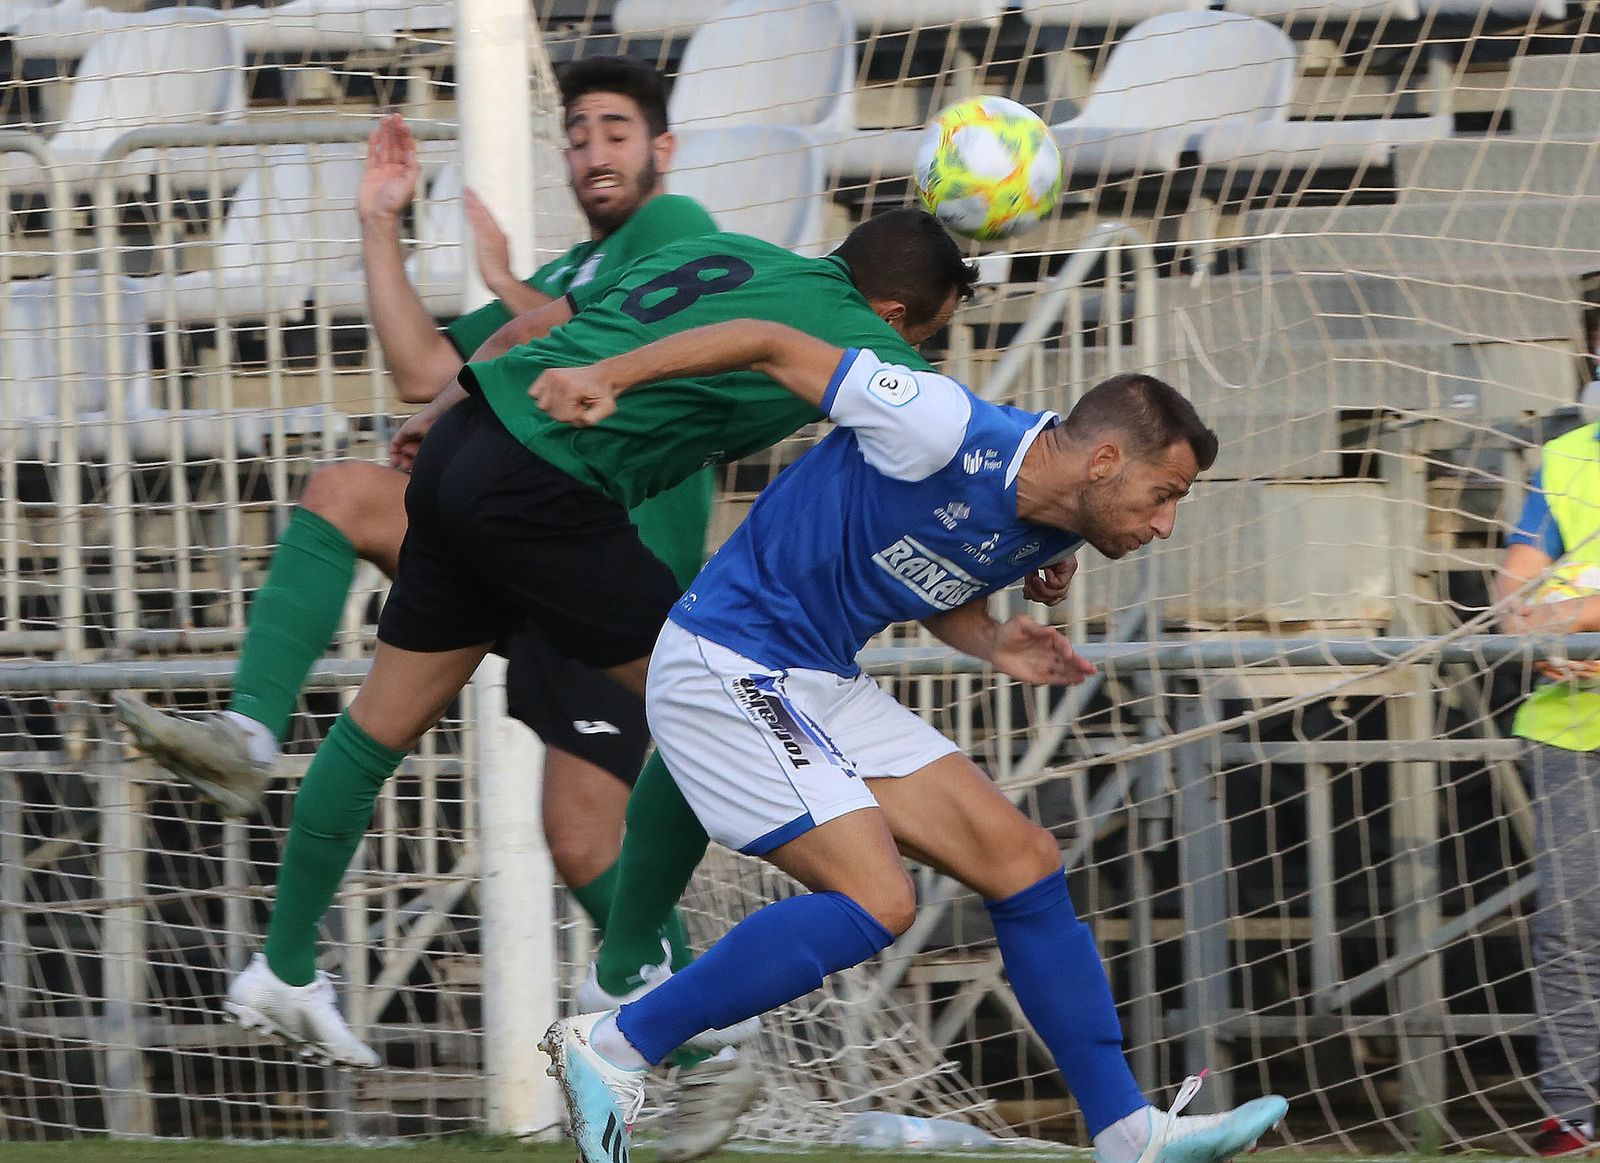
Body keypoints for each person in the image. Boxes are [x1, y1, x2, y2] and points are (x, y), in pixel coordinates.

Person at [115, 56, 755, 1159]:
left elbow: (591, 327)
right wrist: (381, 223)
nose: (591, 150)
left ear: (661, 150)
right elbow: (423, 367)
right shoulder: (568, 266)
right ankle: (261, 806)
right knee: (345, 500)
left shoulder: (673, 230)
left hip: (605, 564)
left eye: (613, 131)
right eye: (578, 132)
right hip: (514, 535)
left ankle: (704, 1048)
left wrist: (507, 302)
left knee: (579, 837)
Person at [191, 210, 977, 1085]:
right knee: (709, 692)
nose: (921, 353)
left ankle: (284, 965)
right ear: (901, 315)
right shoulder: (867, 340)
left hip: (471, 440)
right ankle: (631, 972)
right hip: (550, 484)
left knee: (378, 726)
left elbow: (535, 328)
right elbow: (966, 451)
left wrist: (442, 410)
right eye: (930, 334)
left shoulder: (722, 250)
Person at [530, 320, 1289, 1163]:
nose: (1167, 524)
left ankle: (1127, 1131)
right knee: (878, 900)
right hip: (728, 658)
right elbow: (765, 340)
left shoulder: (1058, 521)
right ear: (1104, 461)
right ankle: (614, 1048)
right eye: (1165, 493)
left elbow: (916, 555)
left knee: (1024, 861)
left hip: (820, 676)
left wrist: (992, 639)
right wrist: (610, 372)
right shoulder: (938, 421)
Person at [1495, 420, 1600, 1158]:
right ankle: (1574, 1115)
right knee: (1570, 929)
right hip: (1569, 731)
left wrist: (1576, 617)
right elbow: (1512, 586)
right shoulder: (1567, 455)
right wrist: (1538, 628)